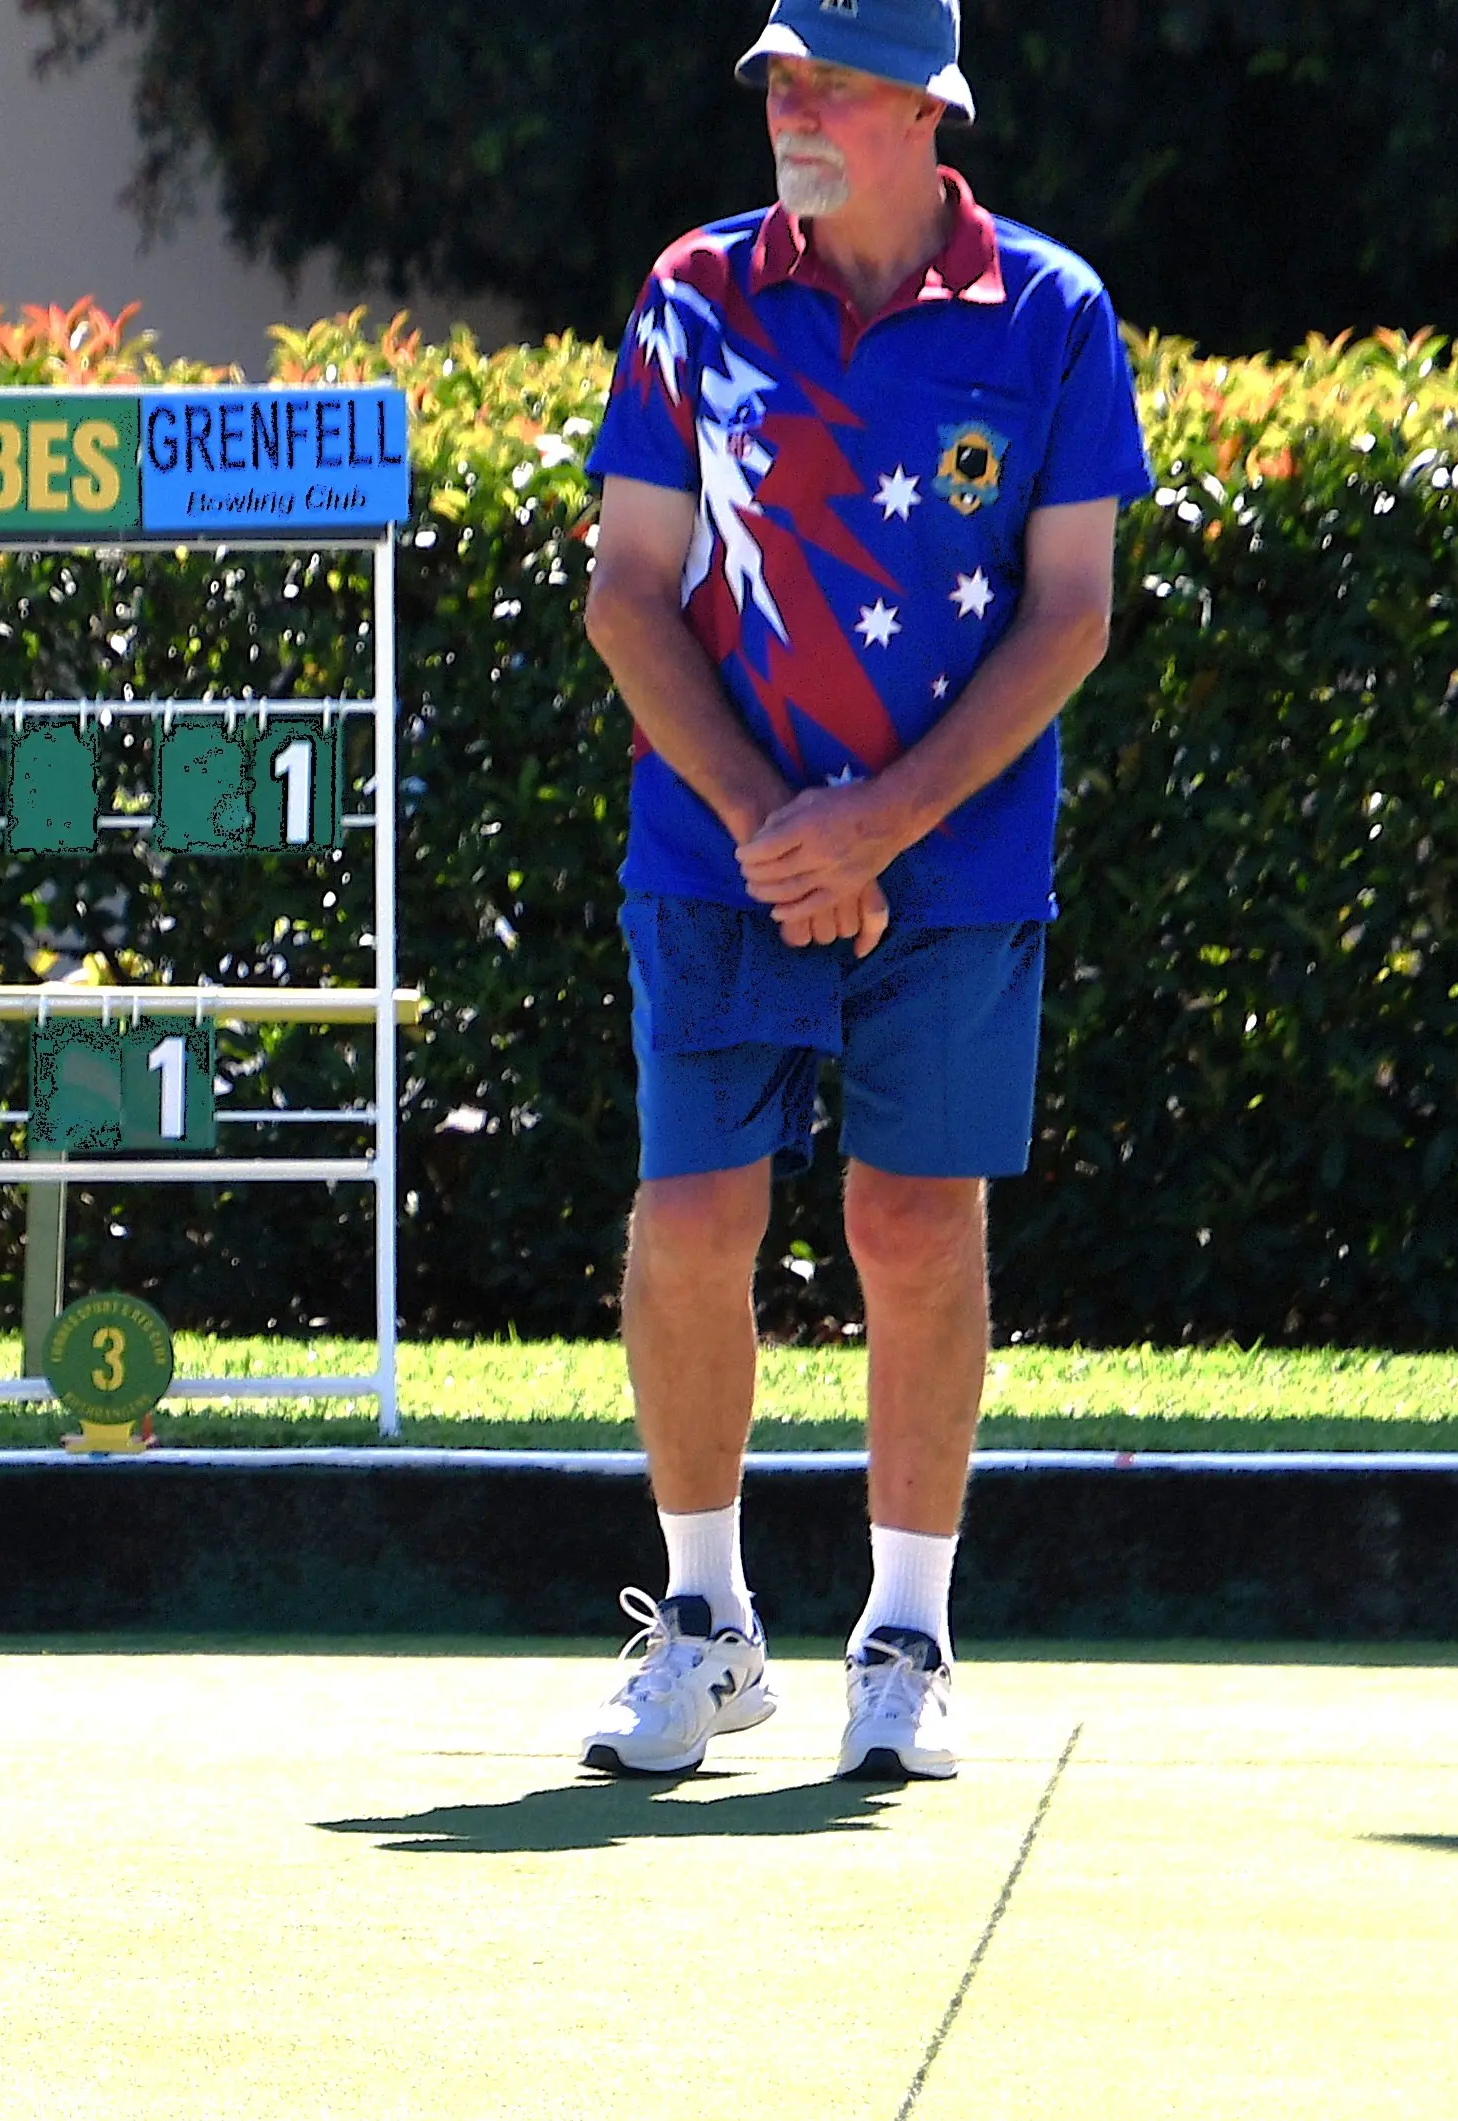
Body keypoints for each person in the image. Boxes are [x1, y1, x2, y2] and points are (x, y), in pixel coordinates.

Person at [575, 0, 1150, 1780]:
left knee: (913, 1230)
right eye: (776, 79)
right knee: (691, 1226)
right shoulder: (693, 292)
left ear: (925, 105)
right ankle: (703, 1622)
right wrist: (777, 827)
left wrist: (878, 825)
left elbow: (1072, 614)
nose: (788, 108)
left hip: (956, 864)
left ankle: (906, 1635)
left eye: (825, 80)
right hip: (716, 853)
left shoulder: (1050, 311)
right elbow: (627, 590)